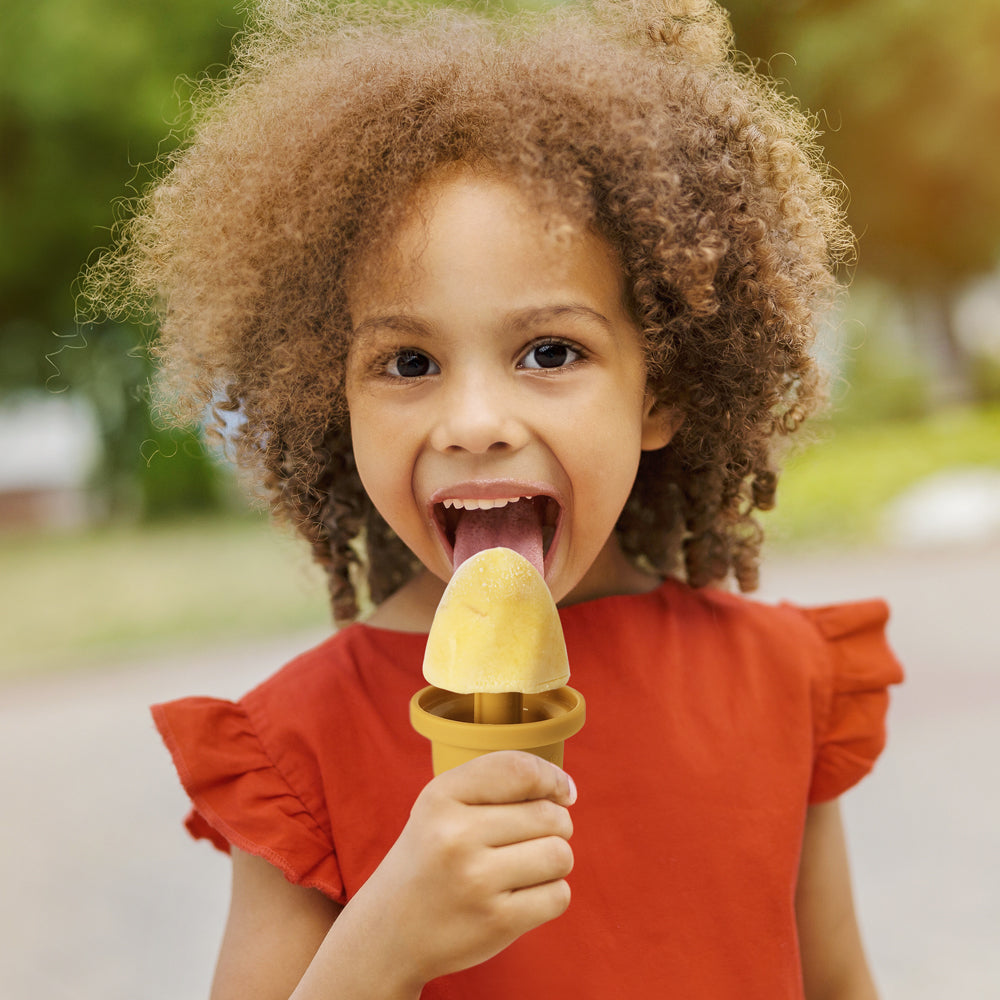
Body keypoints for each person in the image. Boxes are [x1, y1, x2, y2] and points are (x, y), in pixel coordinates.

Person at [88, 1, 904, 996]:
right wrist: (381, 944)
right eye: (408, 360)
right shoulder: (296, 747)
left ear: (662, 389)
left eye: (550, 351)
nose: (475, 419)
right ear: (324, 391)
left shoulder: (780, 684)